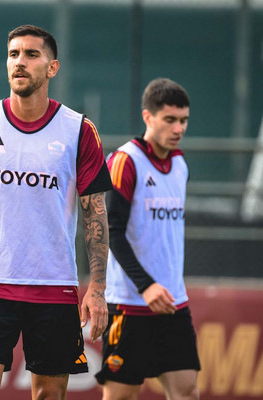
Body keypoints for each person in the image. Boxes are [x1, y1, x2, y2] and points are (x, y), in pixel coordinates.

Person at [0, 24, 113, 399]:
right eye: (13, 54)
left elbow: (95, 213)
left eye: (32, 54)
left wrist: (97, 288)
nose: (20, 62)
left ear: (52, 67)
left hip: (54, 286)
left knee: (49, 395)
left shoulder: (79, 130)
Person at [95, 78, 200, 400]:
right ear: (147, 117)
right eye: (170, 119)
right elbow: (111, 232)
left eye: (183, 120)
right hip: (130, 304)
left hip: (173, 303)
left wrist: (162, 287)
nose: (178, 128)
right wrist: (146, 285)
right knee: (121, 395)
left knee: (187, 391)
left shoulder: (180, 164)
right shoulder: (125, 161)